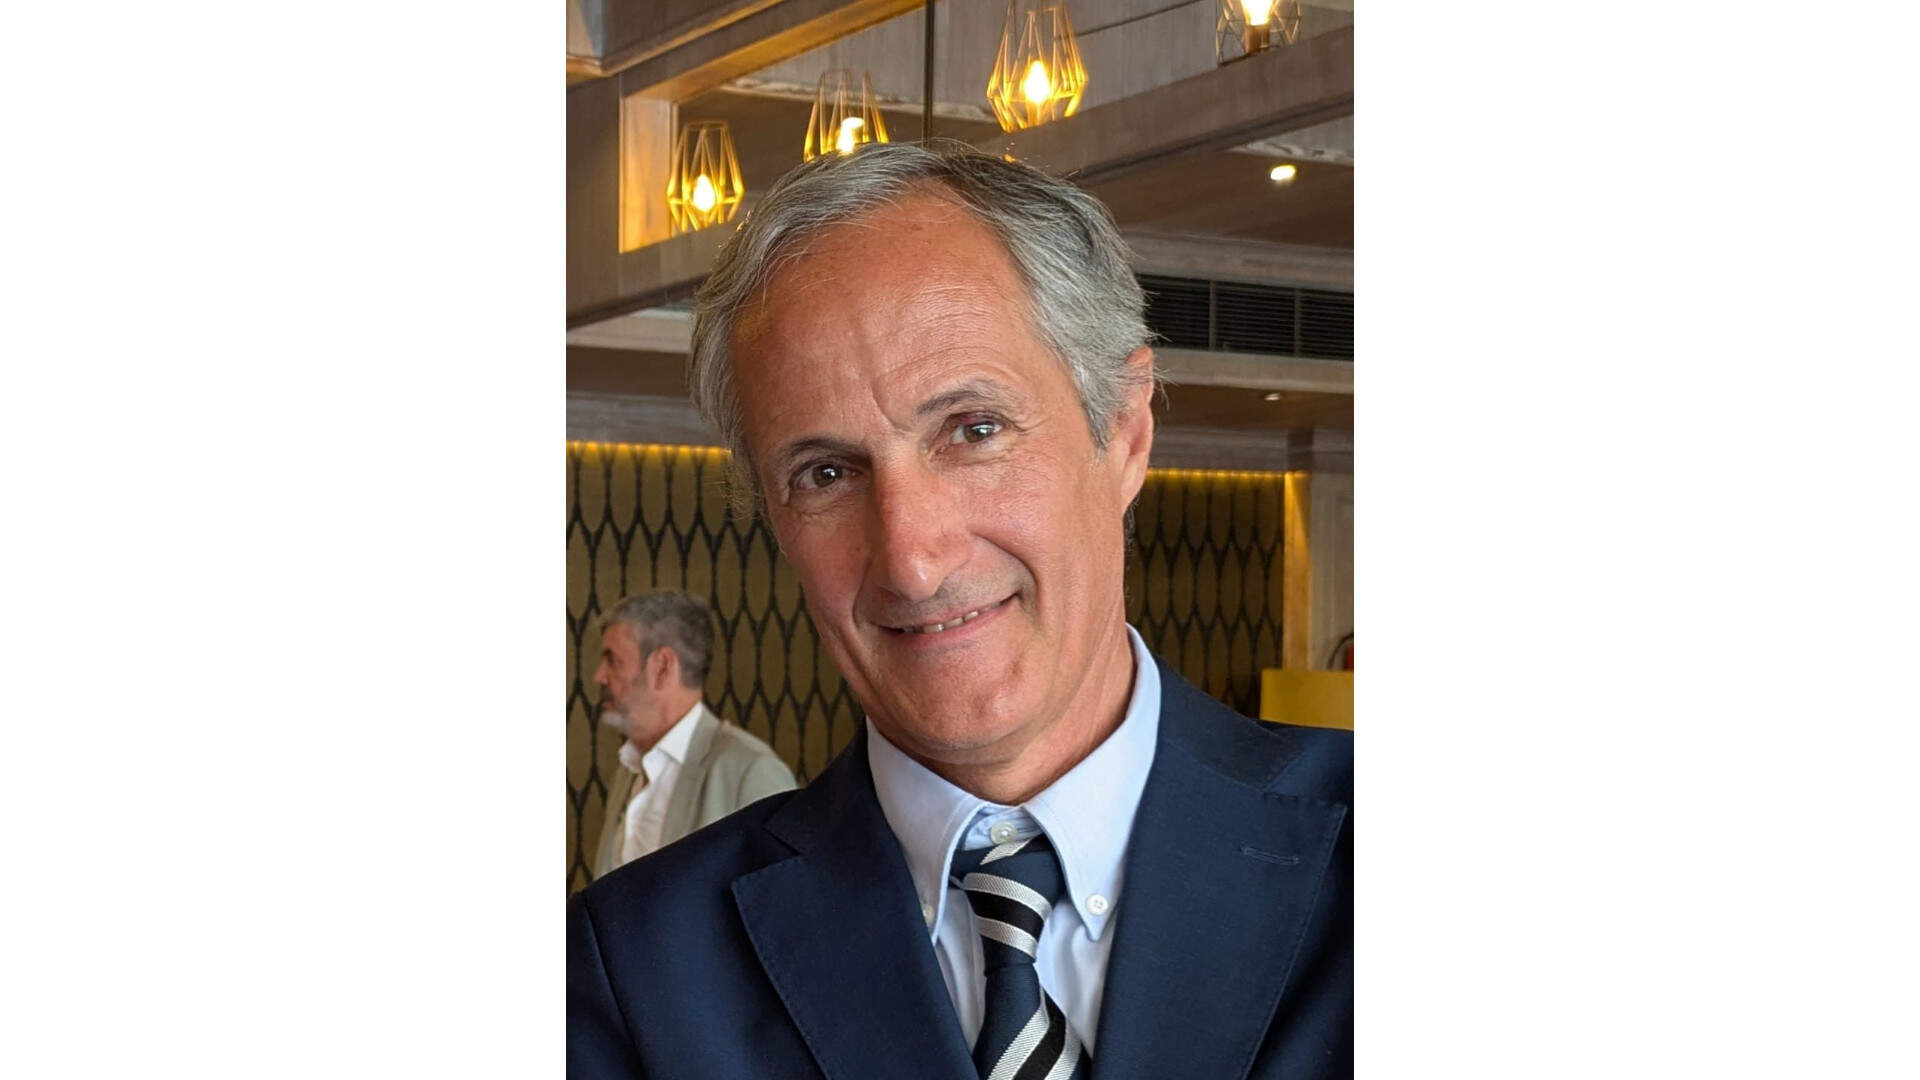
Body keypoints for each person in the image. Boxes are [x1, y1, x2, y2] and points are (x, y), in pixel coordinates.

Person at [567, 142, 1352, 1079]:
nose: (912, 560)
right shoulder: (631, 974)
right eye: (826, 473)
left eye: (974, 431)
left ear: (1125, 434)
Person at [588, 590, 795, 875]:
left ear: (662, 667)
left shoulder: (751, 770)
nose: (599, 676)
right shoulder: (628, 769)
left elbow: (783, 891)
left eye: (612, 660)